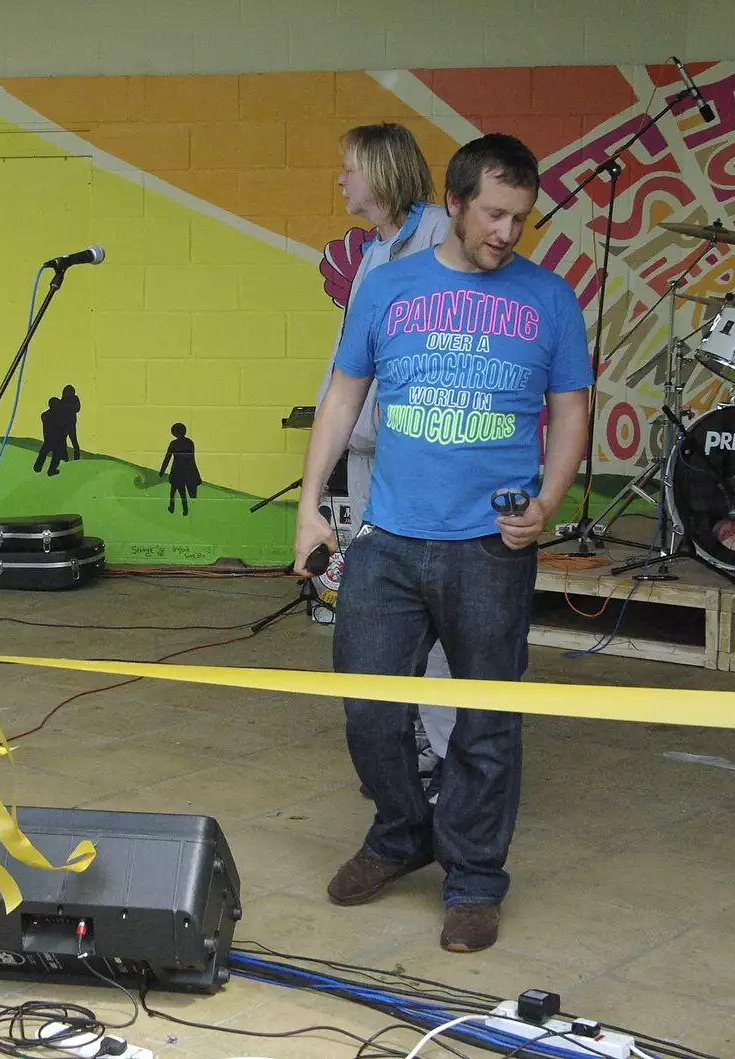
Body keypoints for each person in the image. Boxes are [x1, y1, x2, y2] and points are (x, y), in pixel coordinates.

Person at [294, 133, 592, 953]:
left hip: (491, 544)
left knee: (488, 720)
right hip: (389, 537)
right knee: (367, 706)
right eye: (494, 213)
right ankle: (400, 832)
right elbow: (343, 395)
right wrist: (311, 508)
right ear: (454, 204)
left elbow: (570, 410)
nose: (507, 231)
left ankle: (472, 878)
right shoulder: (388, 288)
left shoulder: (549, 298)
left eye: (521, 218)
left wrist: (551, 501)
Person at [320, 122, 459, 795]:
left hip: (425, 462)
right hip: (374, 456)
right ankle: (408, 748)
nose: (340, 179)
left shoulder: (438, 233)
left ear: (381, 171)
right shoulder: (376, 252)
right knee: (386, 612)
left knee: (435, 617)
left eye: (349, 167)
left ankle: (448, 754)